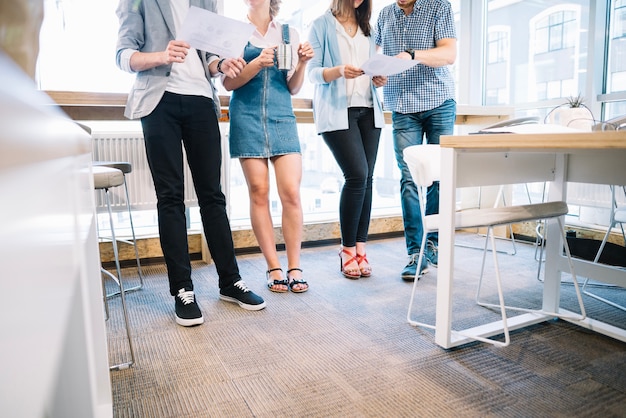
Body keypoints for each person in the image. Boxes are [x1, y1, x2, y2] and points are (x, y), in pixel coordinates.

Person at [115, 0, 266, 327]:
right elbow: (123, 54)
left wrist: (222, 66)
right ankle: (183, 289)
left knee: (213, 195)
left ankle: (230, 281)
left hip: (201, 101)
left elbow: (209, 57)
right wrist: (160, 56)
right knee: (170, 197)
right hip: (159, 102)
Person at [222, 0, 313, 293]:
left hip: (282, 116)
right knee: (259, 191)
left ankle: (295, 265)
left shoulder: (289, 32)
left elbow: (294, 87)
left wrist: (303, 63)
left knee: (291, 192)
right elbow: (228, 83)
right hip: (246, 117)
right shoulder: (234, 33)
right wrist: (256, 63)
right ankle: (274, 266)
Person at [375, 0, 457, 281]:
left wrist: (412, 55)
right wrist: (376, 73)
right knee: (409, 178)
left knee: (439, 177)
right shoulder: (385, 14)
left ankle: (433, 243)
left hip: (438, 101)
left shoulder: (439, 7)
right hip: (401, 106)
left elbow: (448, 53)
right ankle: (416, 253)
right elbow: (376, 56)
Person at [308, 0, 387, 279]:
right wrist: (339, 70)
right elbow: (313, 72)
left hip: (369, 110)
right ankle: (346, 249)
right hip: (337, 111)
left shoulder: (369, 28)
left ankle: (361, 248)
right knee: (357, 175)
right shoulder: (321, 25)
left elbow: (373, 67)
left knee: (368, 179)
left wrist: (378, 78)